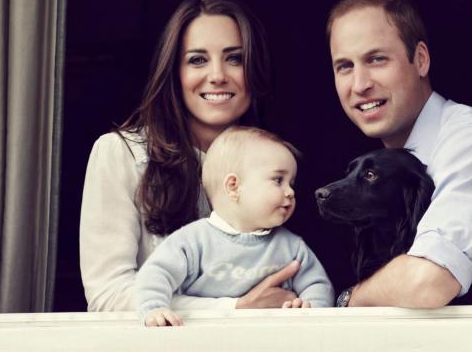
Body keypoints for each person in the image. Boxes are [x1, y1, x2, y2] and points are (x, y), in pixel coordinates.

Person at [326, 0, 472, 308]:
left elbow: (428, 283)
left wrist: (351, 300)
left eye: (376, 59)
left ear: (420, 59)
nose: (360, 84)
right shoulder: (398, 166)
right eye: (344, 67)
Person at [80, 0, 302, 312]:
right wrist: (234, 308)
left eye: (235, 58)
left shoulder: (277, 160)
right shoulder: (120, 153)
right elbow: (108, 295)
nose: (217, 75)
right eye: (198, 59)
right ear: (174, 72)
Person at [134, 126, 334, 326]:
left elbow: (318, 285)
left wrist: (309, 310)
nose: (290, 192)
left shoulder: (292, 247)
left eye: (291, 183)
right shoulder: (192, 241)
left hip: (270, 345)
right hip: (205, 342)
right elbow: (155, 274)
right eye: (278, 180)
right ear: (233, 187)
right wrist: (154, 308)